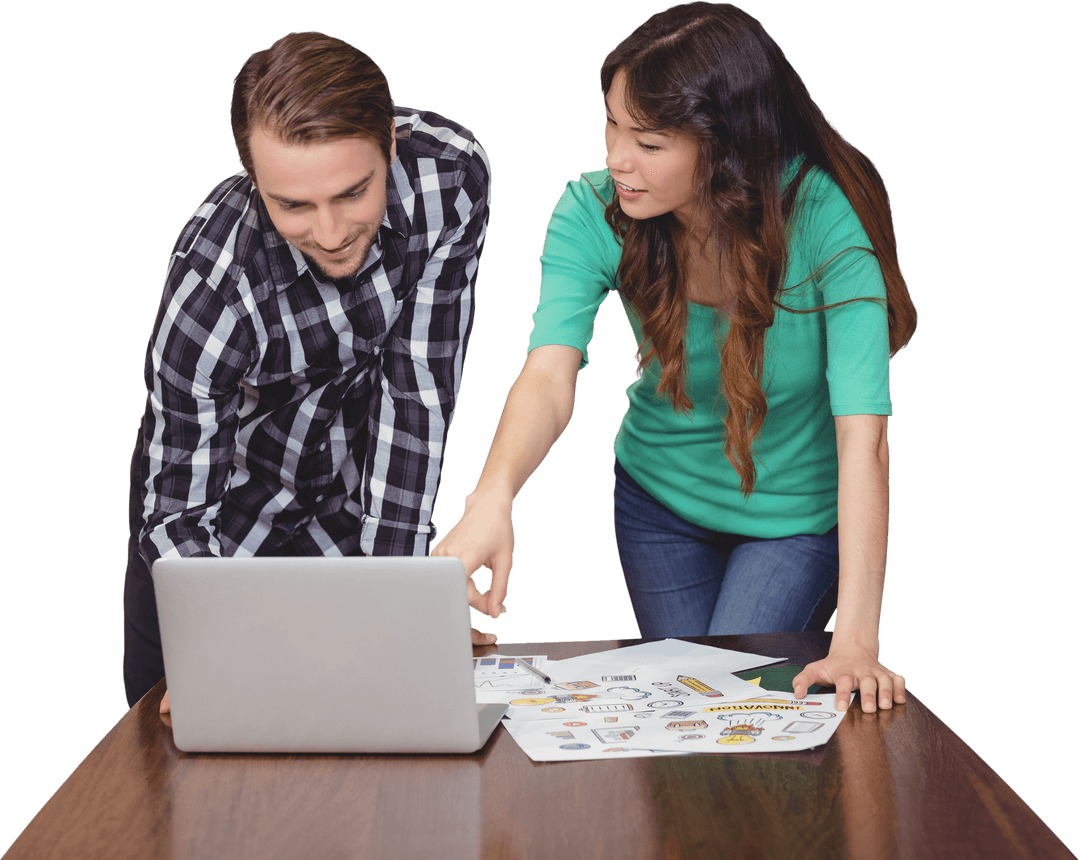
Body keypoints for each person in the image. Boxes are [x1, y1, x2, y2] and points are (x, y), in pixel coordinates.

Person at [434, 2, 917, 713]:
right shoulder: (593, 211)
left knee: (738, 709)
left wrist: (856, 640)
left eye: (649, 143)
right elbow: (548, 374)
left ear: (727, 149)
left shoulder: (825, 223)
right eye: (611, 124)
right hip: (658, 506)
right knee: (689, 723)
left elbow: (864, 435)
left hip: (794, 519)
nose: (615, 159)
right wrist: (492, 497)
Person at [123, 31, 495, 710]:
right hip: (214, 536)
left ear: (389, 144)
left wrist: (400, 605)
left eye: (353, 193)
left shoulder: (450, 181)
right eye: (292, 205)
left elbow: (417, 397)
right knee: (183, 783)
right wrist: (213, 653)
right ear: (253, 181)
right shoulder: (211, 292)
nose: (329, 232)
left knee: (374, 766)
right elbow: (175, 510)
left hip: (347, 509)